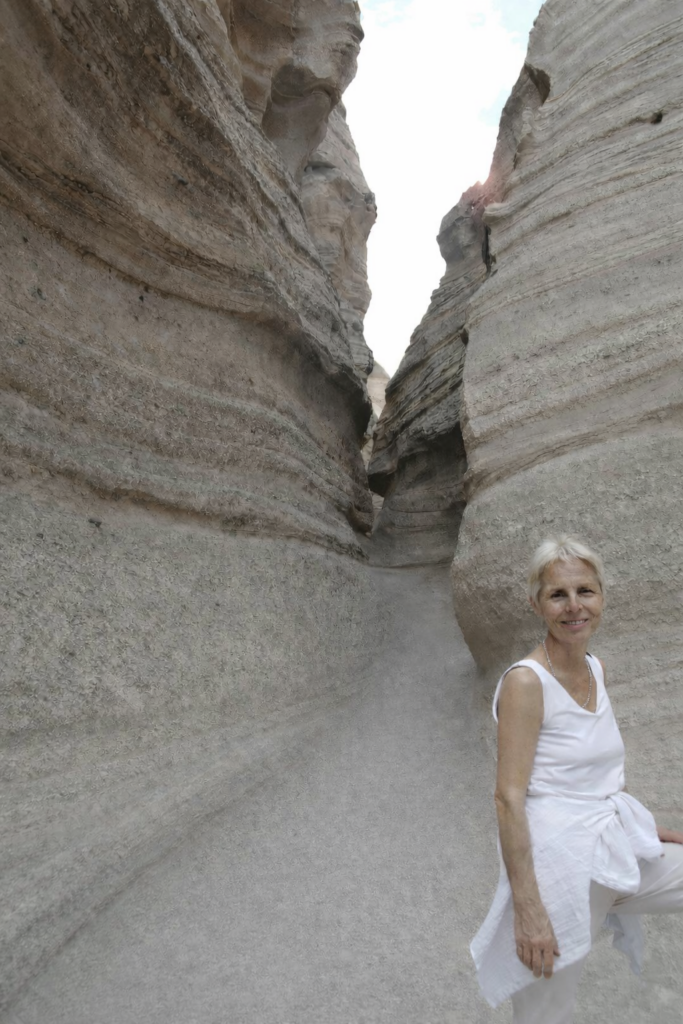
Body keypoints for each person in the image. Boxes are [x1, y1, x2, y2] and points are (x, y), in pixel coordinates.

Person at [470, 536, 683, 1023]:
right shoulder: (526, 682)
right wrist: (527, 910)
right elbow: (508, 799)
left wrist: (643, 828)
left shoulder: (595, 668)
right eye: (557, 595)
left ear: (602, 596)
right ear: (536, 604)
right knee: (547, 1014)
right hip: (559, 868)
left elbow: (594, 774)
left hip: (611, 843)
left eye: (585, 591)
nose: (573, 607)